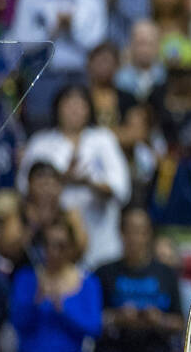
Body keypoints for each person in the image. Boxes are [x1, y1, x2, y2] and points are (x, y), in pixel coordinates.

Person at [18, 86, 130, 269]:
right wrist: (61, 179)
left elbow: (122, 189)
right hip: (55, 244)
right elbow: (23, 187)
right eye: (68, 104)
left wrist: (87, 182)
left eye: (80, 104)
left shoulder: (103, 139)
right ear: (57, 108)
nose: (74, 110)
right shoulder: (41, 142)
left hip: (103, 241)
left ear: (89, 109)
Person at [9, 0, 108, 131]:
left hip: (80, 77)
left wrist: (72, 28)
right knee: (40, 132)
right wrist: (51, 31)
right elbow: (19, 43)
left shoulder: (93, 0)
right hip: (41, 76)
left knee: (82, 134)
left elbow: (98, 45)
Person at [94, 207, 183, 352]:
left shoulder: (166, 273)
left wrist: (159, 320)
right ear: (121, 233)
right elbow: (91, 318)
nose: (134, 238)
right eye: (130, 231)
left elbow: (181, 322)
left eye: (140, 232)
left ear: (149, 235)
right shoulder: (104, 272)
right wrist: (117, 317)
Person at [9, 217, 102, 352]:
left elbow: (94, 328)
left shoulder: (88, 283)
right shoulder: (26, 278)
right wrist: (36, 300)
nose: (53, 252)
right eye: (47, 244)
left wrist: (63, 308)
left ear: (71, 247)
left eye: (60, 246)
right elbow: (17, 322)